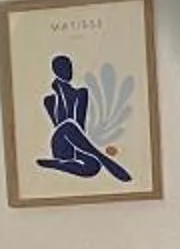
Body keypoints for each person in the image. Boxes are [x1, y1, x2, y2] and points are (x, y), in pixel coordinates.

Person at [36, 54, 131, 182]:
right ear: (55, 71)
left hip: (79, 144)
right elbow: (58, 127)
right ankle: (101, 157)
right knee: (68, 125)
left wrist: (81, 150)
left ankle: (59, 165)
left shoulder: (81, 93)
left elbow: (80, 125)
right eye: (63, 68)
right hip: (62, 147)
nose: (68, 71)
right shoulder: (49, 100)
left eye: (69, 67)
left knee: (94, 167)